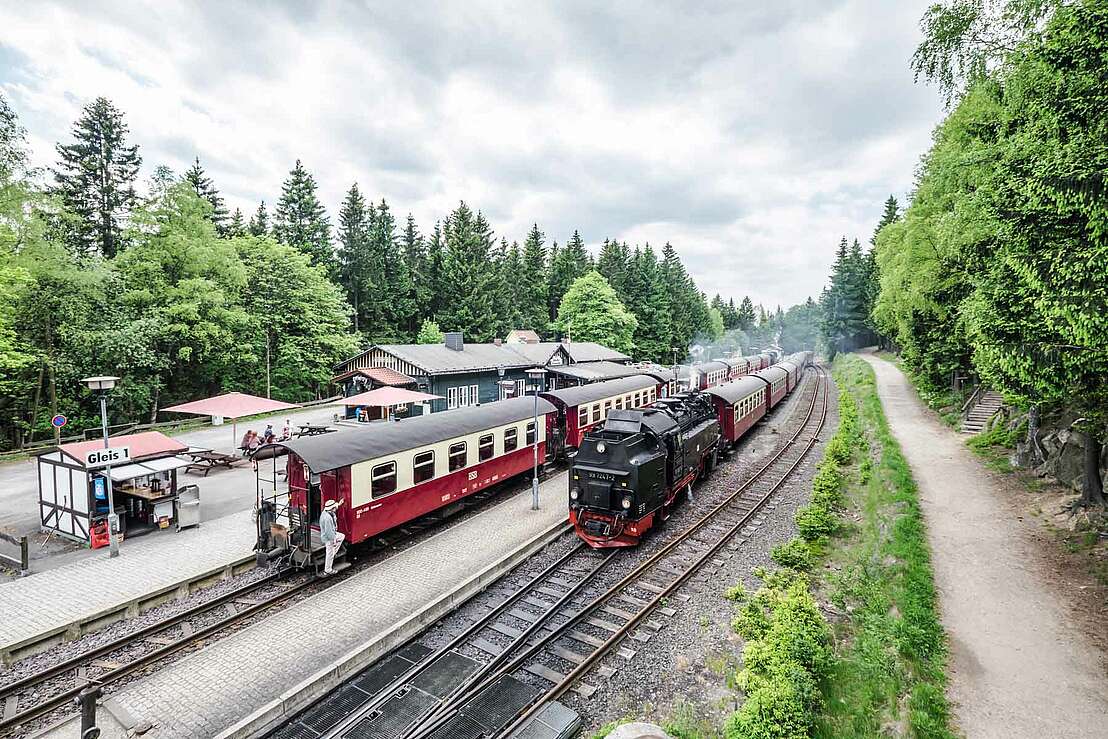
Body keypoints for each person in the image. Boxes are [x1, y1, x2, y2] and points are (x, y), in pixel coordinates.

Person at [319, 498, 345, 575]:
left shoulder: (326, 512)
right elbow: (329, 532)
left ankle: (334, 552)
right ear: (332, 509)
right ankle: (328, 570)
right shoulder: (327, 518)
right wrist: (333, 541)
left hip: (330, 534)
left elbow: (335, 506)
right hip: (328, 537)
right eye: (334, 508)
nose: (335, 509)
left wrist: (339, 504)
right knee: (329, 554)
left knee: (341, 536)